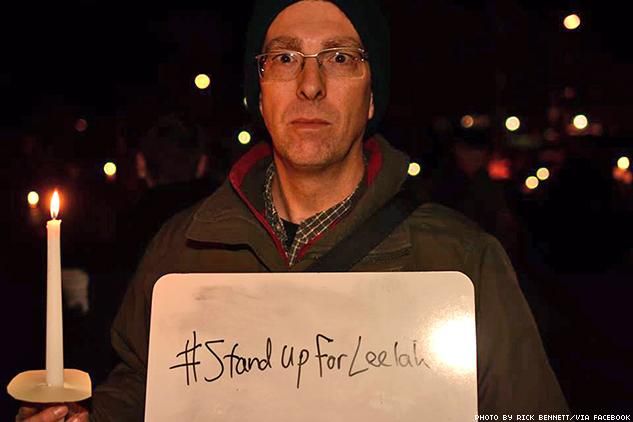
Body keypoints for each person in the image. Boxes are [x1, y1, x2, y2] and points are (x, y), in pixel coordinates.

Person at [18, 1, 568, 420]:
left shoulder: (462, 261)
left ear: (372, 97)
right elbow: (141, 387)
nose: (310, 85)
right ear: (259, 94)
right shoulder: (181, 248)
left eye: (340, 58)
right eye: (284, 58)